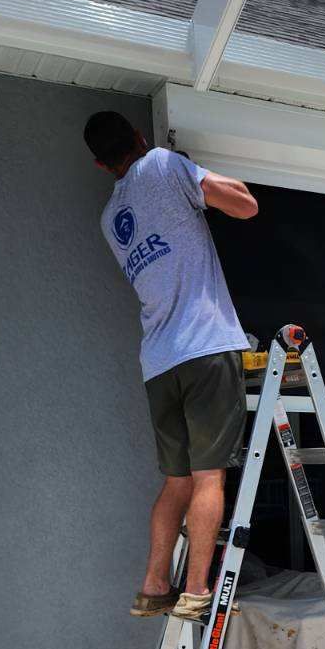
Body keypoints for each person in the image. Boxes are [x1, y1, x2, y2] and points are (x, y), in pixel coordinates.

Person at [84, 111, 258, 622]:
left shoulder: (108, 220)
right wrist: (191, 168)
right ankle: (197, 591)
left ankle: (154, 586)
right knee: (209, 480)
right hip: (205, 348)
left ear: (101, 165)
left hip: (159, 362)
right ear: (140, 138)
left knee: (177, 482)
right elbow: (245, 206)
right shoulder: (162, 165)